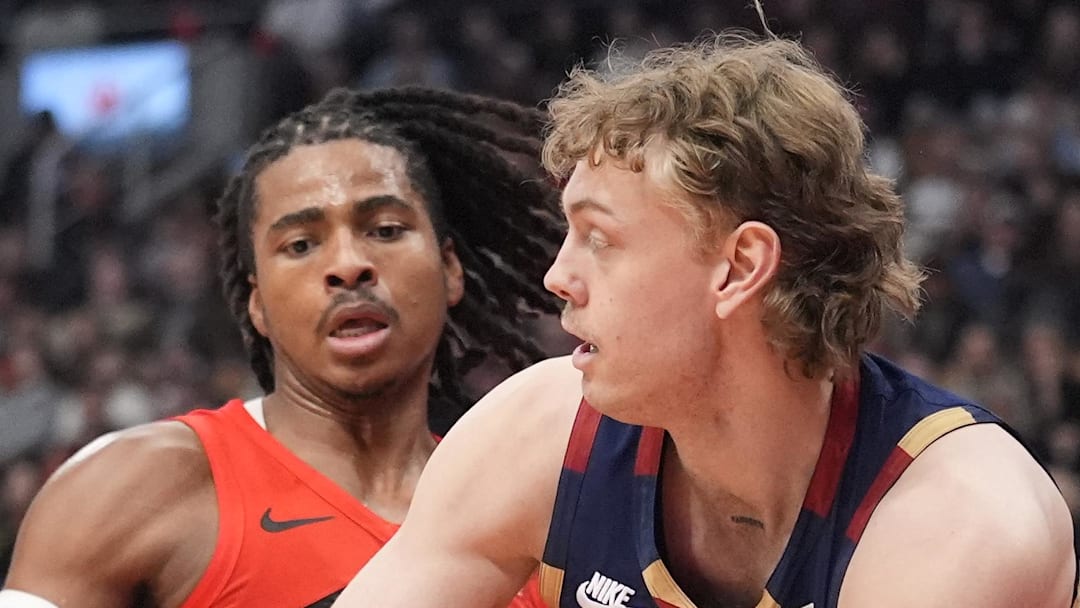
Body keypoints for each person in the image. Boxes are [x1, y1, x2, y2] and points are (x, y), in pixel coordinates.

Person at [333, 35, 1079, 608]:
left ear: (740, 266)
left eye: (599, 238)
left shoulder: (963, 520)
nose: (558, 275)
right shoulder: (539, 430)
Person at [0, 86, 564, 607]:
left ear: (449, 269)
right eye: (300, 244)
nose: (348, 266)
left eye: (386, 230)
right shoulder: (131, 486)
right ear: (257, 305)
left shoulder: (537, 511)